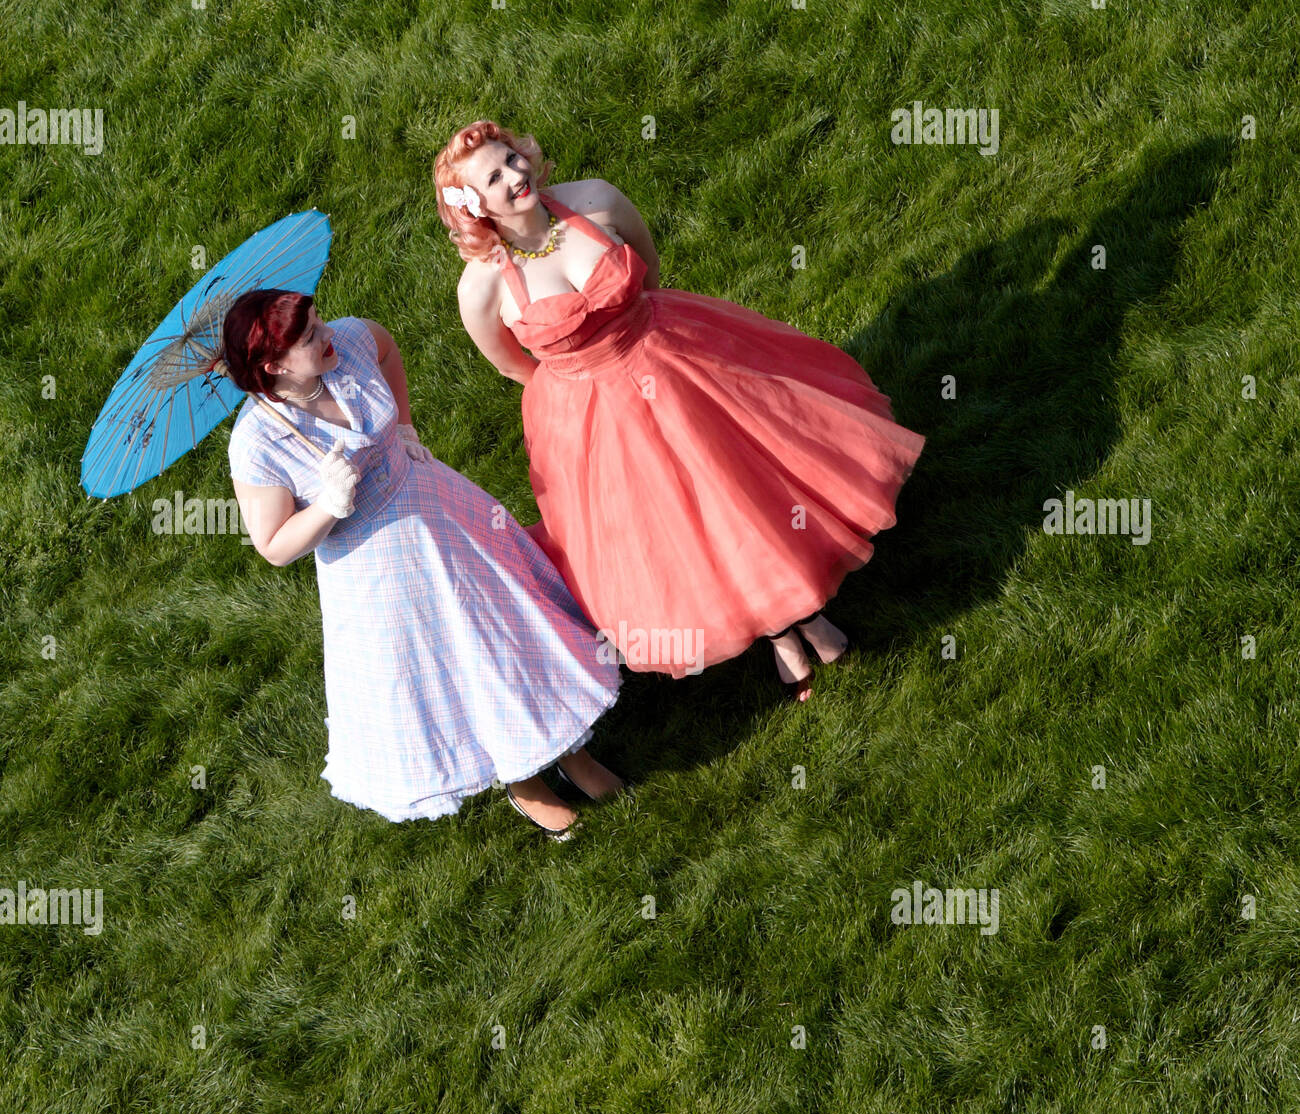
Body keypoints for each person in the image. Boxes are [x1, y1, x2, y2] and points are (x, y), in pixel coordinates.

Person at [436, 120, 926, 699]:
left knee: (739, 483)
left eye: (513, 159)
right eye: (493, 177)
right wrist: (577, 379)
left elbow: (648, 263)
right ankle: (782, 632)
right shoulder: (481, 288)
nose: (515, 176)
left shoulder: (595, 199)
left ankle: (800, 614)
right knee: (681, 522)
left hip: (674, 358)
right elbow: (512, 365)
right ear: (473, 205)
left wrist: (639, 333)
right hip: (594, 416)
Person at [222, 288, 625, 839]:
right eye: (311, 336)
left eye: (318, 322)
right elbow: (273, 545)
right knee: (460, 663)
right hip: (379, 568)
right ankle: (523, 781)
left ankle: (570, 750)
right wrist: (325, 508)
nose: (329, 334)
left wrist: (405, 427)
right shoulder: (257, 444)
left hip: (441, 508)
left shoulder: (351, 344)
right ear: (273, 367)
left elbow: (386, 348)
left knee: (508, 628)